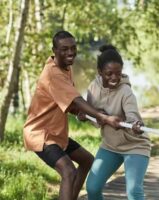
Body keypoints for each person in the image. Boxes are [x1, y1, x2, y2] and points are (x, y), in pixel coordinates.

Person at [23, 31, 121, 200]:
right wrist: (102, 116)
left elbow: (68, 102)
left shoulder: (66, 68)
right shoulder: (53, 73)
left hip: (57, 133)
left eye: (73, 48)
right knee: (68, 171)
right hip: (41, 134)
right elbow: (76, 98)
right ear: (54, 50)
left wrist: (81, 112)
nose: (70, 52)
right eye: (64, 49)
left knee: (87, 161)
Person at [82, 45, 151, 200]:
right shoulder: (93, 87)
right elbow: (94, 118)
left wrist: (136, 125)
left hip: (135, 146)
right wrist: (86, 116)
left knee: (134, 191)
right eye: (109, 73)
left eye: (118, 73)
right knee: (92, 188)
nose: (114, 77)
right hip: (110, 146)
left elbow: (133, 115)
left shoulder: (126, 91)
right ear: (100, 72)